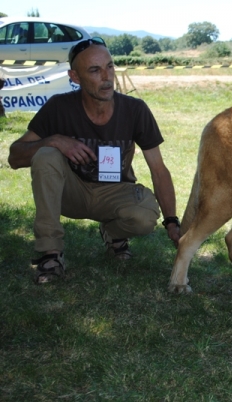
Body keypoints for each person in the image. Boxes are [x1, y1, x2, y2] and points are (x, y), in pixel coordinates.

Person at [8, 37, 181, 283]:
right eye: (95, 70)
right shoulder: (59, 107)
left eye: (109, 66)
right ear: (75, 77)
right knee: (46, 154)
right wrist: (54, 140)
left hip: (114, 193)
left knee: (145, 216)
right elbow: (15, 156)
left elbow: (158, 169)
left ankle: (112, 233)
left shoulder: (135, 110)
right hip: (71, 193)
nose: (106, 77)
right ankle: (51, 253)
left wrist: (172, 221)